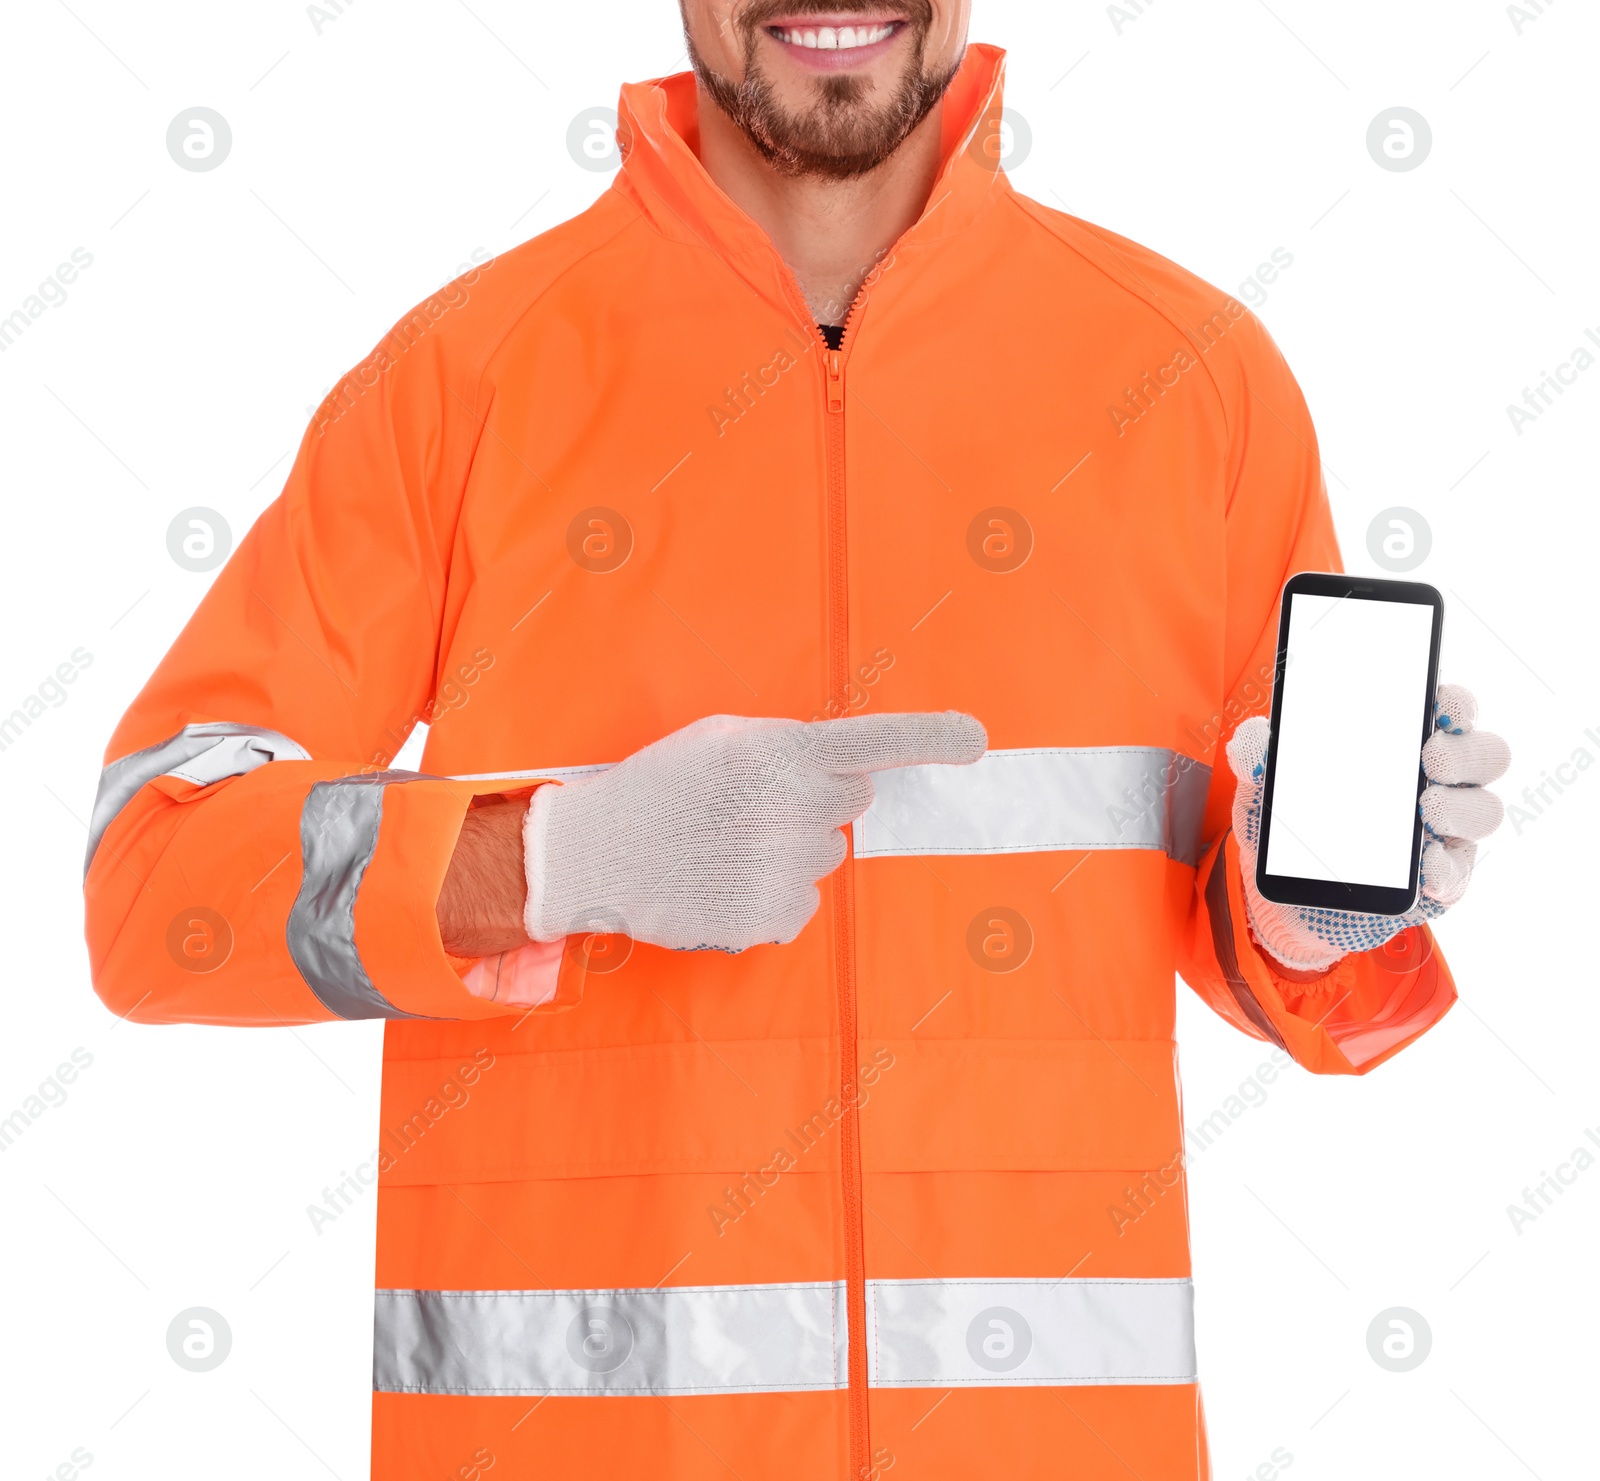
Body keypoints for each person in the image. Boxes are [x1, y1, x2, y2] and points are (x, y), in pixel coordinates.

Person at [83, 1, 1510, 1476]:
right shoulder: (459, 382)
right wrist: (552, 860)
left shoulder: (1194, 381)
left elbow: (1251, 930)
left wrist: (1306, 925)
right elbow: (152, 891)